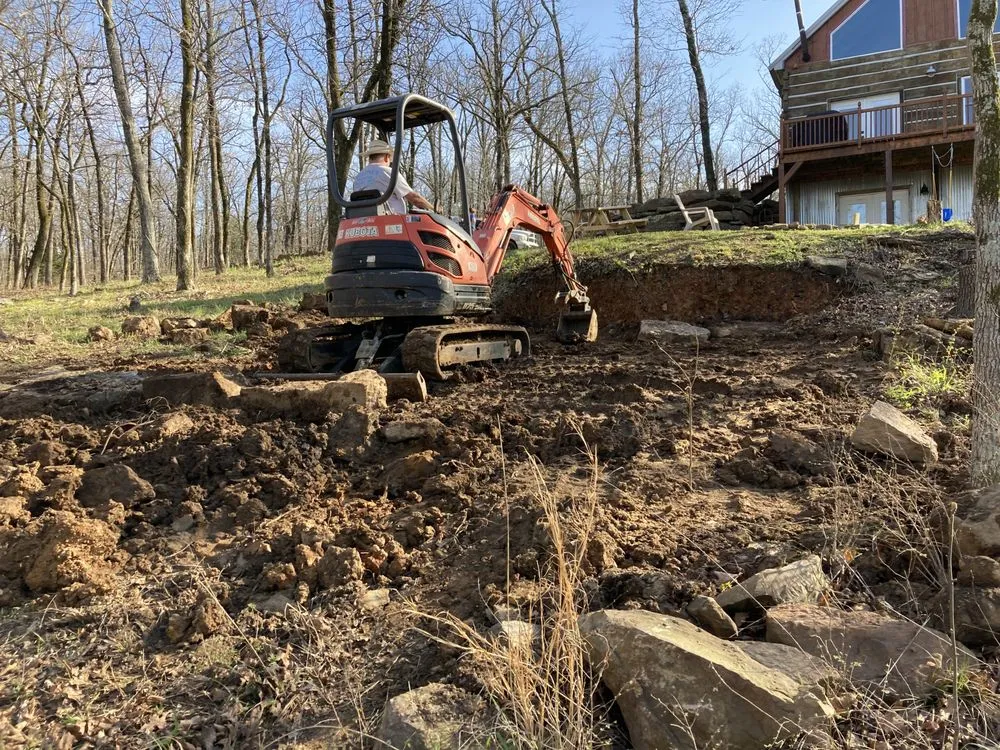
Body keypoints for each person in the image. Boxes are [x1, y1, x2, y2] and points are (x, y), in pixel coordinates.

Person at [353, 139, 433, 215]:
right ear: (386, 157)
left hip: (363, 220)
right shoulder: (388, 172)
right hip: (391, 222)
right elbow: (415, 199)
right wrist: (433, 209)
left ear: (370, 158)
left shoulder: (358, 178)